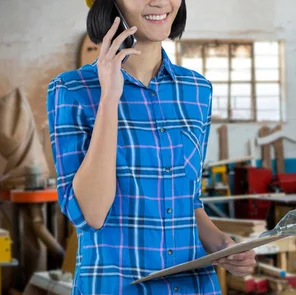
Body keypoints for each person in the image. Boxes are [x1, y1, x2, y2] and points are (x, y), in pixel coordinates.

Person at [46, 0, 256, 293]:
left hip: (193, 285)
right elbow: (92, 214)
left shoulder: (196, 90)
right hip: (118, 286)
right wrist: (109, 97)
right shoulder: (72, 90)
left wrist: (223, 246)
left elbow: (188, 200)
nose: (160, 1)